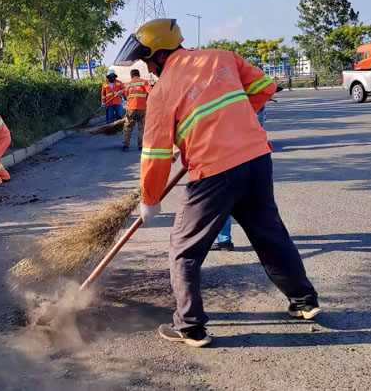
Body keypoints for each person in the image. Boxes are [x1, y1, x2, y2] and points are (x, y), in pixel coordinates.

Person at [114, 18, 320, 348]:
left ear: (161, 55)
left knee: (184, 250)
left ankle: (190, 326)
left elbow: (155, 155)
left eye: (148, 61)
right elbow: (264, 88)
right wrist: (232, 122)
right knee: (270, 234)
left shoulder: (162, 92)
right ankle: (305, 301)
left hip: (214, 173)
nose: (148, 68)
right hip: (256, 159)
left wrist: (150, 200)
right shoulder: (222, 57)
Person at [211, 102, 268, 252]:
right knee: (252, 200)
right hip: (251, 154)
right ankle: (266, 238)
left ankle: (223, 240)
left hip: (229, 154)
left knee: (222, 198)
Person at [122, 69, 152, 152]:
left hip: (130, 109)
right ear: (139, 74)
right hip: (142, 108)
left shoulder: (128, 85)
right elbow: (151, 92)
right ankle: (141, 145)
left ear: (131, 76)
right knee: (142, 127)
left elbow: (125, 96)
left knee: (128, 127)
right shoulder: (144, 82)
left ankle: (125, 145)